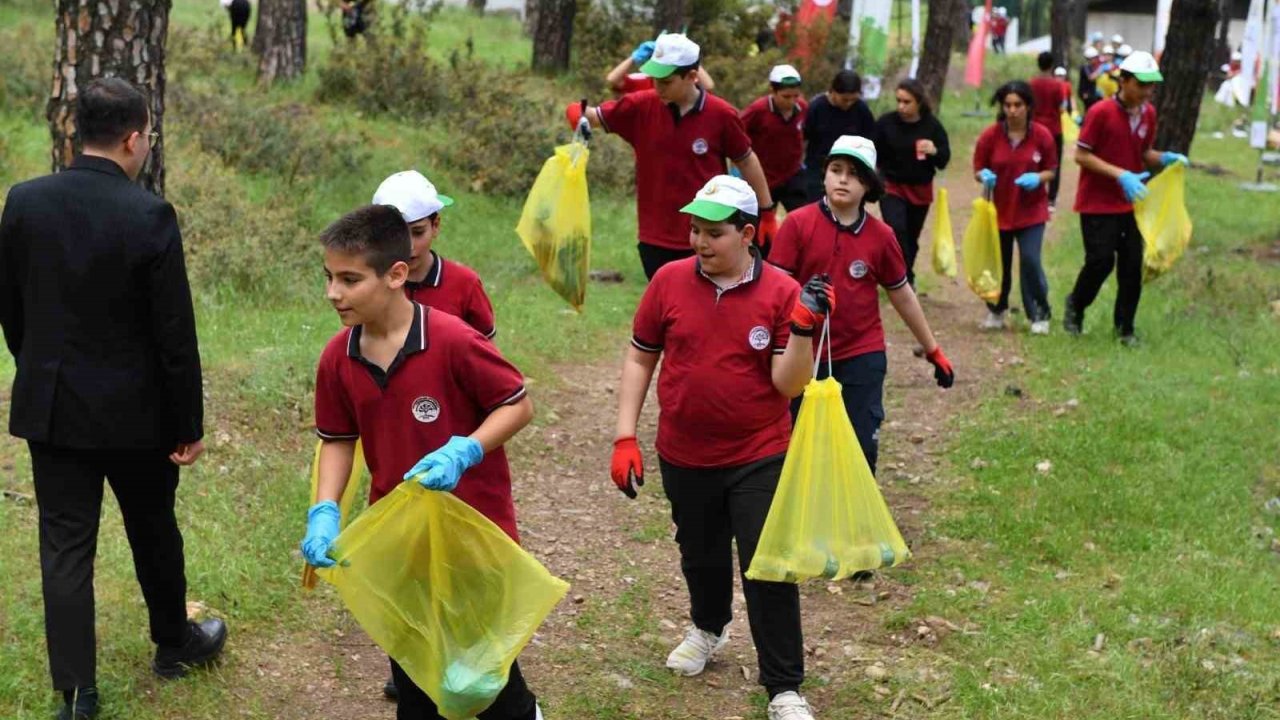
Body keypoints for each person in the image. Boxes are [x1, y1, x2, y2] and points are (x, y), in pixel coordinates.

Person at [0, 77, 225, 720]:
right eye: (148, 134)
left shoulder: (24, 202)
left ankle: (77, 694)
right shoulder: (149, 214)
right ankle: (174, 644)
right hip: (138, 415)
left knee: (65, 546)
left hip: (53, 407)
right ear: (133, 139)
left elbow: (10, 306)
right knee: (153, 527)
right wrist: (187, 422)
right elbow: (174, 333)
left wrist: (38, 367)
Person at [301, 205, 543, 719]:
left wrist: (465, 449)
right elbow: (338, 439)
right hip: (401, 541)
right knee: (415, 677)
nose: (333, 293)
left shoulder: (453, 340)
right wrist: (325, 509)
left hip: (474, 533)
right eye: (328, 277)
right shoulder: (337, 358)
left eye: (349, 280)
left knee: (486, 679)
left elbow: (517, 405)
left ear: (396, 274)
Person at [610, 174, 828, 720]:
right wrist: (624, 435)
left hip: (759, 453)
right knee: (700, 553)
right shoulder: (668, 281)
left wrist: (803, 329)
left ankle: (783, 687)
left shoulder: (781, 291)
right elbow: (640, 356)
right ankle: (709, 627)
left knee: (766, 564)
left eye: (714, 233)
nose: (699, 243)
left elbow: (788, 385)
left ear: (747, 234)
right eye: (695, 231)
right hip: (684, 452)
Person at [771, 136, 955, 474]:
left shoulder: (881, 236)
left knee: (860, 448)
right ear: (824, 174)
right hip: (802, 355)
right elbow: (772, 292)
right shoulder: (797, 224)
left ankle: (856, 507)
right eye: (836, 170)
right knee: (799, 449)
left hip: (861, 353)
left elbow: (901, 294)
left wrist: (933, 349)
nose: (843, 179)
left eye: (854, 174)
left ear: (869, 184)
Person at [566, 33, 777, 280]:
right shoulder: (640, 106)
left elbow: (746, 160)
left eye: (666, 82)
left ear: (692, 76)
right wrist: (575, 113)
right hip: (654, 236)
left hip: (709, 235)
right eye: (655, 80)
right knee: (667, 300)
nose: (658, 87)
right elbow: (591, 115)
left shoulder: (721, 114)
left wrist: (767, 212)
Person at [1065, 50, 1189, 346]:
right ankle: (1076, 305)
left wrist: (1165, 158)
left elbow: (1143, 153)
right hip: (1097, 202)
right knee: (1100, 261)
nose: (1147, 91)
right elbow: (1081, 155)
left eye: (1151, 85)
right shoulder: (1100, 112)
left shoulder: (1148, 114)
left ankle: (1125, 329)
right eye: (1141, 84)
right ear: (1124, 81)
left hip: (1132, 204)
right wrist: (1120, 174)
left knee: (1132, 266)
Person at [973, 81, 1059, 335]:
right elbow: (978, 167)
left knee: (1030, 260)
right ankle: (996, 309)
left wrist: (1038, 178)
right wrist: (984, 175)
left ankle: (1039, 313)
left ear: (1028, 106)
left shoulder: (1042, 135)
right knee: (1000, 262)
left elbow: (1051, 169)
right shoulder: (990, 136)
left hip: (1031, 211)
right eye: (1007, 105)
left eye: (1017, 105)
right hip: (999, 210)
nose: (1012, 110)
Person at [373, 171, 496, 338]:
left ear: (435, 225)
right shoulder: (373, 283)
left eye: (418, 232)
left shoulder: (465, 284)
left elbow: (486, 348)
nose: (409, 246)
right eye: (396, 234)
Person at [873, 78, 951, 288]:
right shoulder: (886, 123)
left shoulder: (932, 126)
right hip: (892, 186)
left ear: (919, 102)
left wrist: (934, 151)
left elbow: (944, 159)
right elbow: (871, 150)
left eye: (906, 102)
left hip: (920, 189)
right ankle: (904, 279)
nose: (901, 106)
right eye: (898, 101)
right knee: (896, 230)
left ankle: (904, 276)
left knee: (911, 238)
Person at [741, 64, 809, 220]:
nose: (792, 101)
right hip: (764, 177)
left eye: (796, 96)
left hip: (792, 174)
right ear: (773, 91)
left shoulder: (803, 108)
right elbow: (736, 131)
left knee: (804, 219)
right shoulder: (758, 110)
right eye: (786, 97)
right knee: (762, 222)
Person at [801, 70, 876, 203]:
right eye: (844, 99)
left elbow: (869, 139)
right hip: (817, 169)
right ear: (833, 91)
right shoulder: (817, 107)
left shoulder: (861, 109)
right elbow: (804, 138)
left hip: (850, 169)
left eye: (853, 100)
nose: (848, 103)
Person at [606, 37, 715, 97]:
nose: (659, 87)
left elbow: (708, 86)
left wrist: (689, 56)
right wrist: (634, 57)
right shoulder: (642, 78)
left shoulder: (681, 78)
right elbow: (612, 80)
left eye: (666, 82)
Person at [1029, 51, 1070, 208]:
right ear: (1051, 65)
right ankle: (1051, 198)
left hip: (1035, 128)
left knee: (1034, 160)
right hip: (1054, 129)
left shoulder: (1031, 84)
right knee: (1054, 163)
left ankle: (1035, 193)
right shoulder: (1057, 85)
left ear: (1038, 64)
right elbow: (1062, 107)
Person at [1079, 46, 1102, 111]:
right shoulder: (1085, 67)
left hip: (1092, 94)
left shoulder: (1092, 67)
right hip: (1087, 94)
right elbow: (1091, 78)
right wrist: (1101, 70)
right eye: (1094, 58)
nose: (1096, 59)